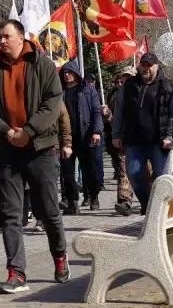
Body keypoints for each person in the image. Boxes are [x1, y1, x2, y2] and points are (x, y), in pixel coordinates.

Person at [0, 19, 67, 293]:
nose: (1, 41)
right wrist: (6, 132)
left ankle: (60, 257)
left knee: (48, 209)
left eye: (6, 36)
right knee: (10, 214)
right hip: (8, 149)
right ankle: (16, 272)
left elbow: (53, 102)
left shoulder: (42, 64)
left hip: (40, 148)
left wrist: (29, 131)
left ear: (20, 38)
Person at [111, 53, 173, 217]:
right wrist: (116, 134)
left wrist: (170, 136)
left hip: (159, 141)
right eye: (143, 65)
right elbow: (120, 111)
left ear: (157, 66)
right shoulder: (129, 85)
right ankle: (148, 203)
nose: (145, 68)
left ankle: (162, 212)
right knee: (134, 174)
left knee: (162, 178)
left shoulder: (168, 86)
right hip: (135, 140)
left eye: (149, 65)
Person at [104, 66, 136, 216]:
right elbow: (115, 119)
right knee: (124, 170)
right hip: (124, 138)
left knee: (145, 172)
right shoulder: (117, 96)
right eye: (124, 77)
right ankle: (124, 201)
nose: (125, 80)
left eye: (129, 77)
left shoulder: (142, 92)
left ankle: (148, 200)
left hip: (143, 138)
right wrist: (107, 114)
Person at [75, 73, 105, 210]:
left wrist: (97, 131)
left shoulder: (92, 92)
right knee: (80, 169)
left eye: (92, 80)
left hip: (91, 135)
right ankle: (80, 197)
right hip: (75, 136)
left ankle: (94, 196)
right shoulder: (66, 91)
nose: (90, 82)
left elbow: (96, 112)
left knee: (92, 168)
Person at [58, 66, 83, 215]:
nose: (67, 75)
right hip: (65, 137)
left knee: (89, 170)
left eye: (70, 72)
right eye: (65, 73)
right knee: (67, 172)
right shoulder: (60, 93)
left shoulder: (84, 90)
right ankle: (71, 200)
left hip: (82, 136)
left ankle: (92, 195)